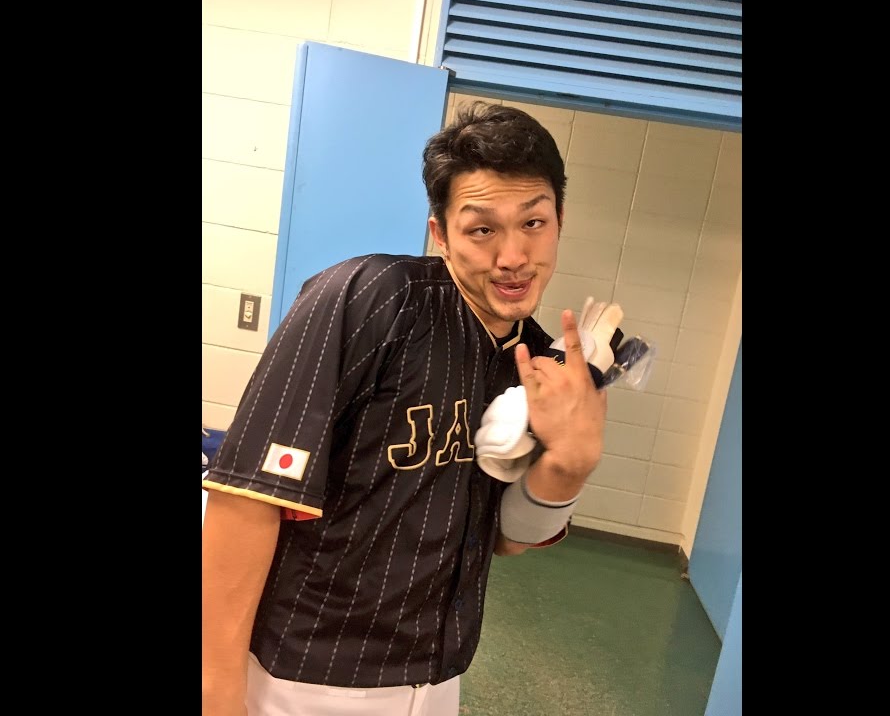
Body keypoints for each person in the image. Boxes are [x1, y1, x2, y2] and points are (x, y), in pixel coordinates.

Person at [202, 102, 608, 716]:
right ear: (440, 234)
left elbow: (507, 540)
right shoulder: (370, 298)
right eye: (481, 230)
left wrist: (569, 465)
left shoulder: (538, 363)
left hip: (438, 676)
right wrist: (215, 689)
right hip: (306, 677)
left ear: (559, 221)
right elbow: (248, 494)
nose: (513, 256)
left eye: (533, 223)